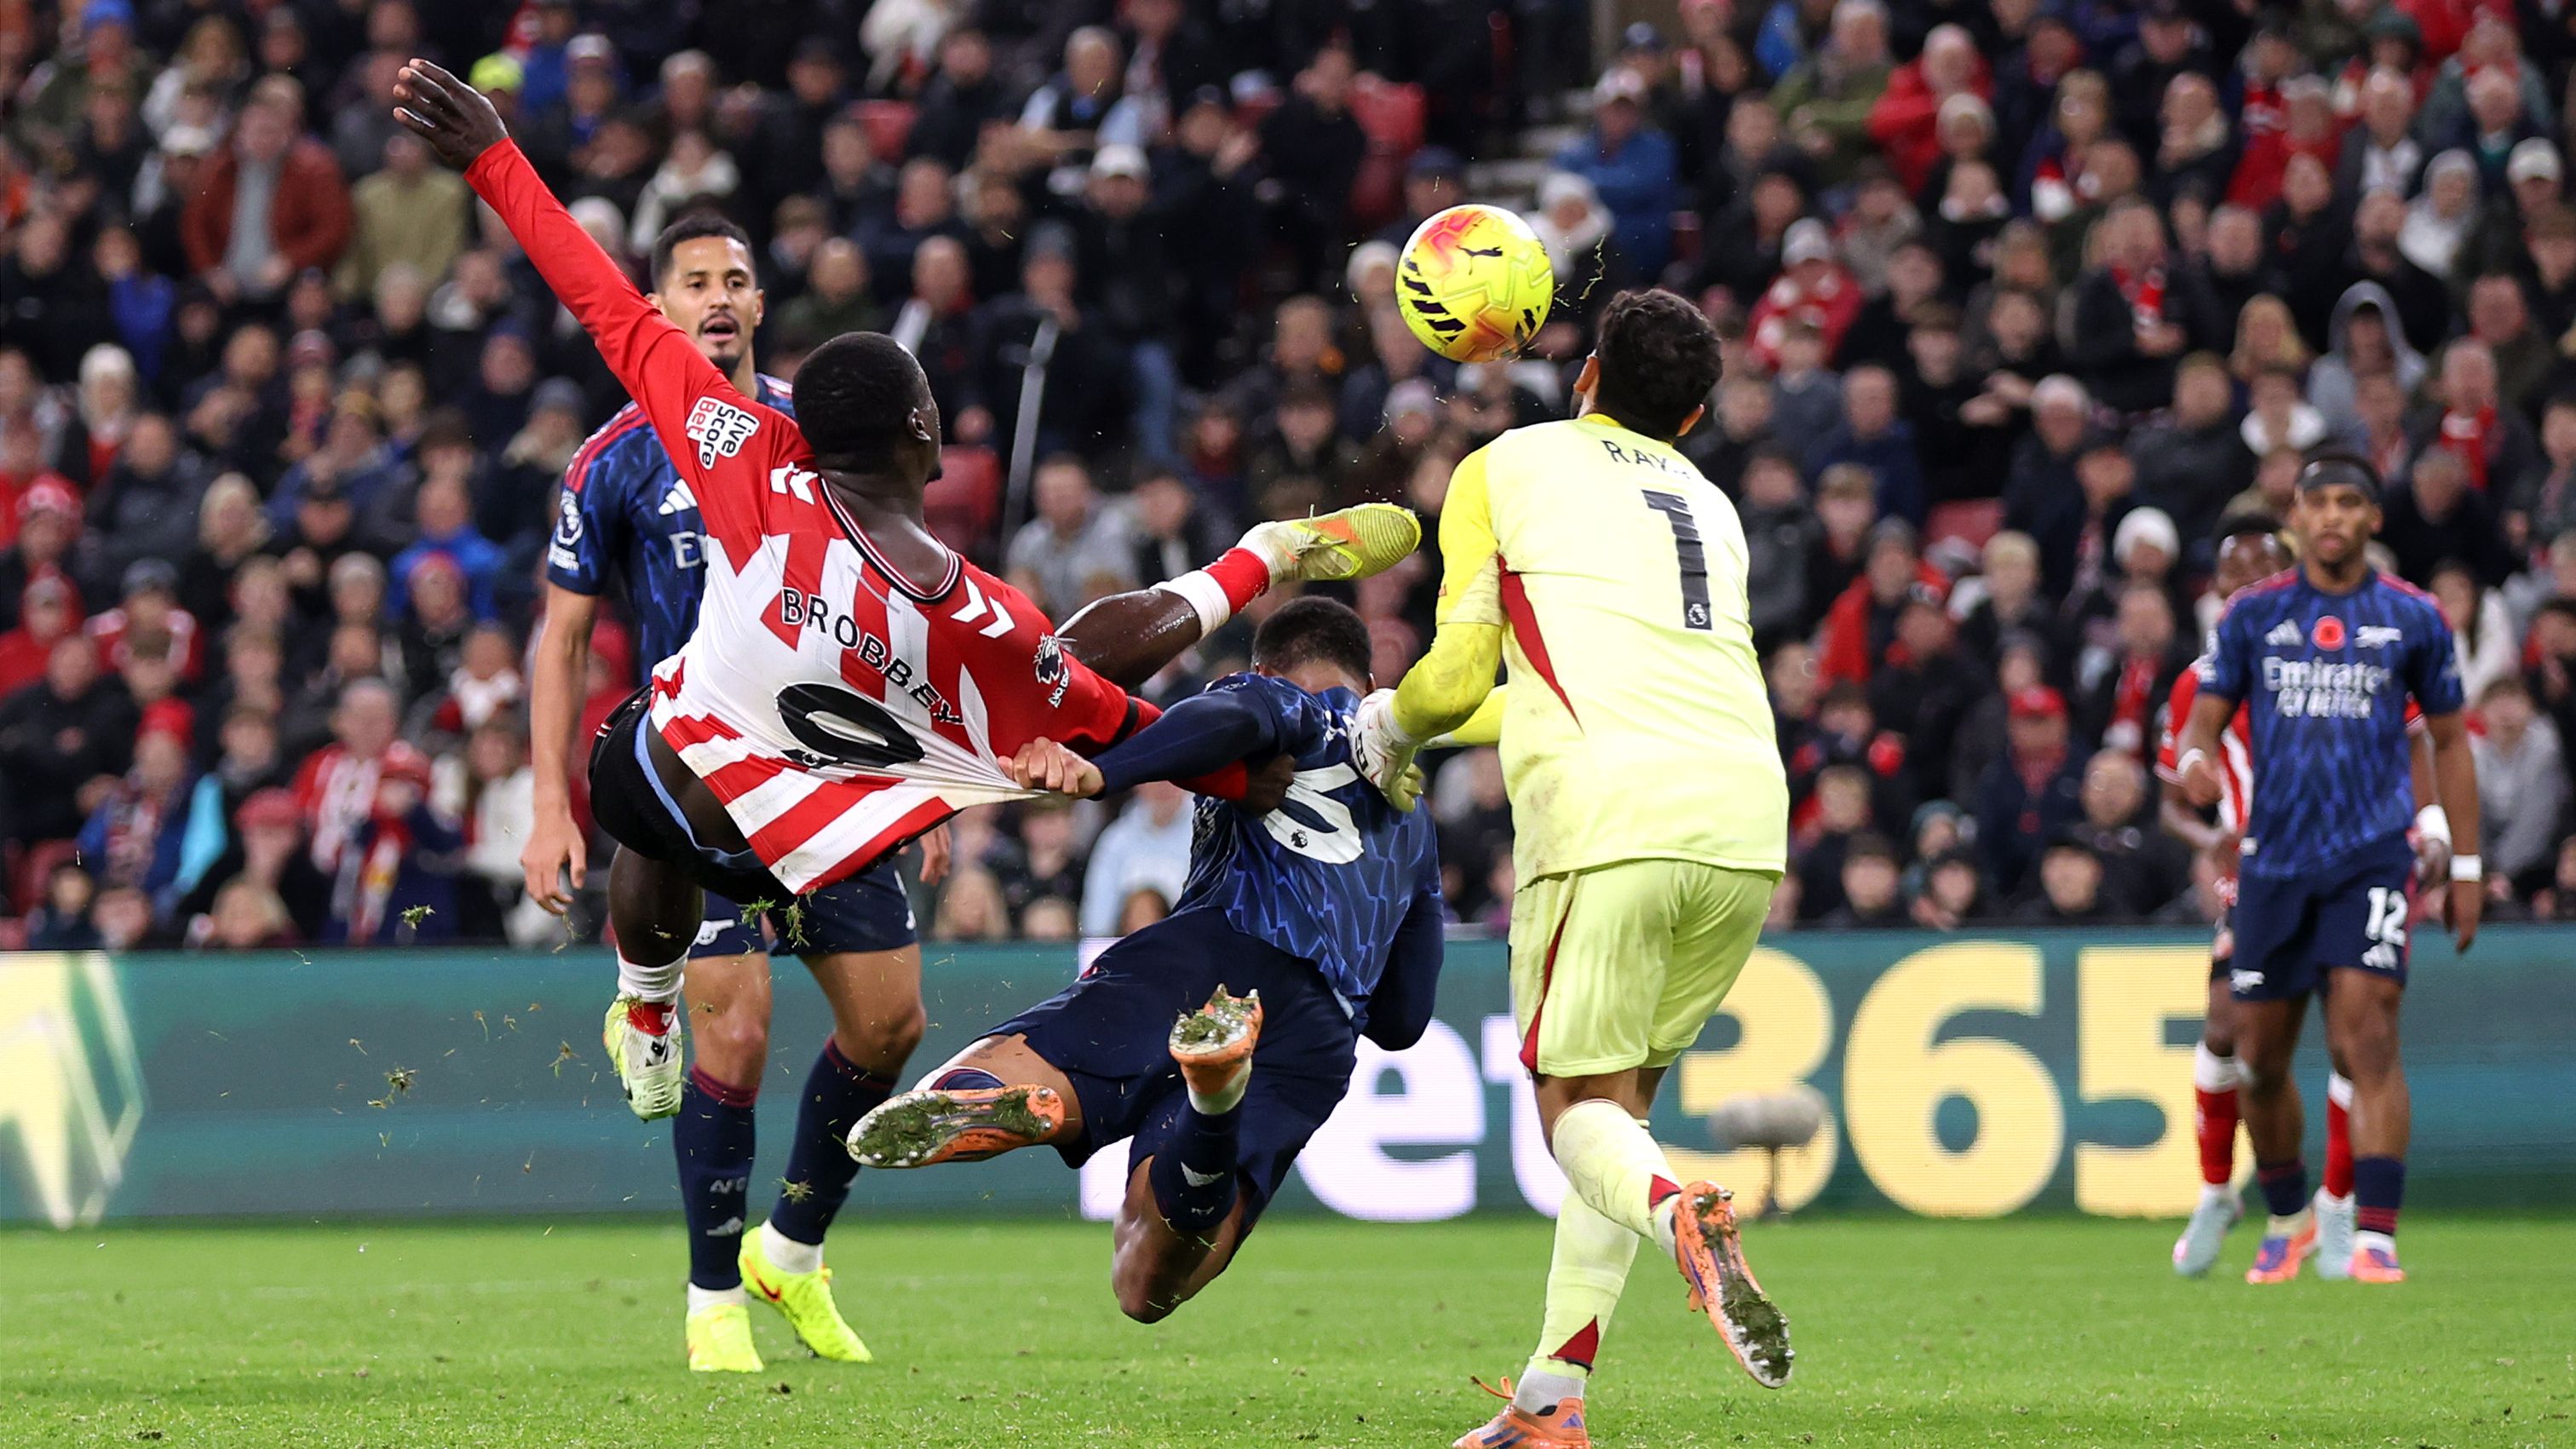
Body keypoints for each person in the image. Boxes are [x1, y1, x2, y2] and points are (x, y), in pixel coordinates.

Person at [392, 60, 1417, 1366]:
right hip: (831, 796)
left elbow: (596, 300)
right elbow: (1102, 695)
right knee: (1030, 707)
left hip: (705, 767)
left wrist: (493, 156)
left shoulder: (742, 453)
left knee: (676, 828)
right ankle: (657, 1027)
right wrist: (1250, 706)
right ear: (929, 435)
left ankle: (767, 1205)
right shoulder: (974, 619)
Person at [1351, 288, 1795, 1446]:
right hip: (1746, 822)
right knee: (1619, 1109)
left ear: (1587, 373)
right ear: (1694, 416)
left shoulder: (1510, 464)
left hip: (1609, 814)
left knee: (1572, 1116)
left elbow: (1454, 676)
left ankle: (1677, 1215)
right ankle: (1553, 1394)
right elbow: (1560, 684)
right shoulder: (1713, 504)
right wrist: (1418, 722)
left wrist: (1390, 728)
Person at [520, 204, 946, 1370]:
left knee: (891, 1024)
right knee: (740, 1031)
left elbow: (886, 613)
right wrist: (551, 803)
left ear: (761, 306)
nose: (716, 296)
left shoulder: (818, 445)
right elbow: (559, 642)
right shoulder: (614, 458)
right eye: (693, 279)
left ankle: (790, 1252)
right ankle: (712, 1299)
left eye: (736, 279)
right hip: (696, 787)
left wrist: (923, 777)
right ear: (658, 307)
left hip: (830, 783)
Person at [846, 600, 1441, 1324]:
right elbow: (1405, 1020)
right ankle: (1213, 1107)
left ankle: (998, 1092)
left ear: (1265, 665)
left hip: (1214, 953)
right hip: (1316, 1040)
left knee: (1023, 1060)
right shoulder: (1414, 815)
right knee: (1146, 1282)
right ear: (1371, 674)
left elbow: (1230, 723)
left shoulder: (1287, 702)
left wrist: (1102, 774)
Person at [2176, 456, 2483, 1287]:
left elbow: (2446, 741)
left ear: (2372, 518)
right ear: (2301, 518)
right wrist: (2198, 762)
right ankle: (2290, 1213)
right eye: (2321, 503)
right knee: (2259, 1059)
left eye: (2352, 501)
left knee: (2367, 1035)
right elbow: (2198, 726)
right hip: (2273, 864)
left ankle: (2376, 1235)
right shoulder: (2251, 620)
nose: (2335, 516)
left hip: (2371, 857)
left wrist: (2465, 861)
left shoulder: (2413, 618)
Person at [2149, 513, 2370, 1278]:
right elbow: (2174, 795)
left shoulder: (2334, 657)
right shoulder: (2197, 680)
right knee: (2228, 1028)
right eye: (2231, 570)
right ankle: (2221, 1190)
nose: (2245, 582)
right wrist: (2206, 835)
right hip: (2260, 872)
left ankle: (2337, 1207)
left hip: (2347, 864)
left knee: (2352, 1038)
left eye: (2261, 568)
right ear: (2215, 589)